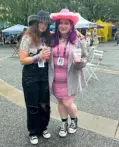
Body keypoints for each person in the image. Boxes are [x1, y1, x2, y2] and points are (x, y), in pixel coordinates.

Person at [49, 9, 87, 137]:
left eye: (66, 23)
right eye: (61, 23)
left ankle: (74, 120)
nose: (63, 26)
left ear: (71, 26)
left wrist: (80, 62)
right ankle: (64, 123)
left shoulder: (77, 41)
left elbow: (85, 58)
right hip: (55, 80)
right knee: (60, 102)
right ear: (57, 25)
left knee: (67, 103)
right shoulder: (52, 40)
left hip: (70, 79)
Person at [19, 10, 52, 145]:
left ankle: (43, 127)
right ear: (35, 22)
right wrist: (38, 56)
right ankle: (33, 131)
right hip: (30, 74)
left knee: (44, 104)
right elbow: (22, 60)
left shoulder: (47, 37)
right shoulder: (27, 37)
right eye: (41, 22)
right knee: (33, 104)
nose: (43, 25)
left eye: (45, 23)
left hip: (43, 72)